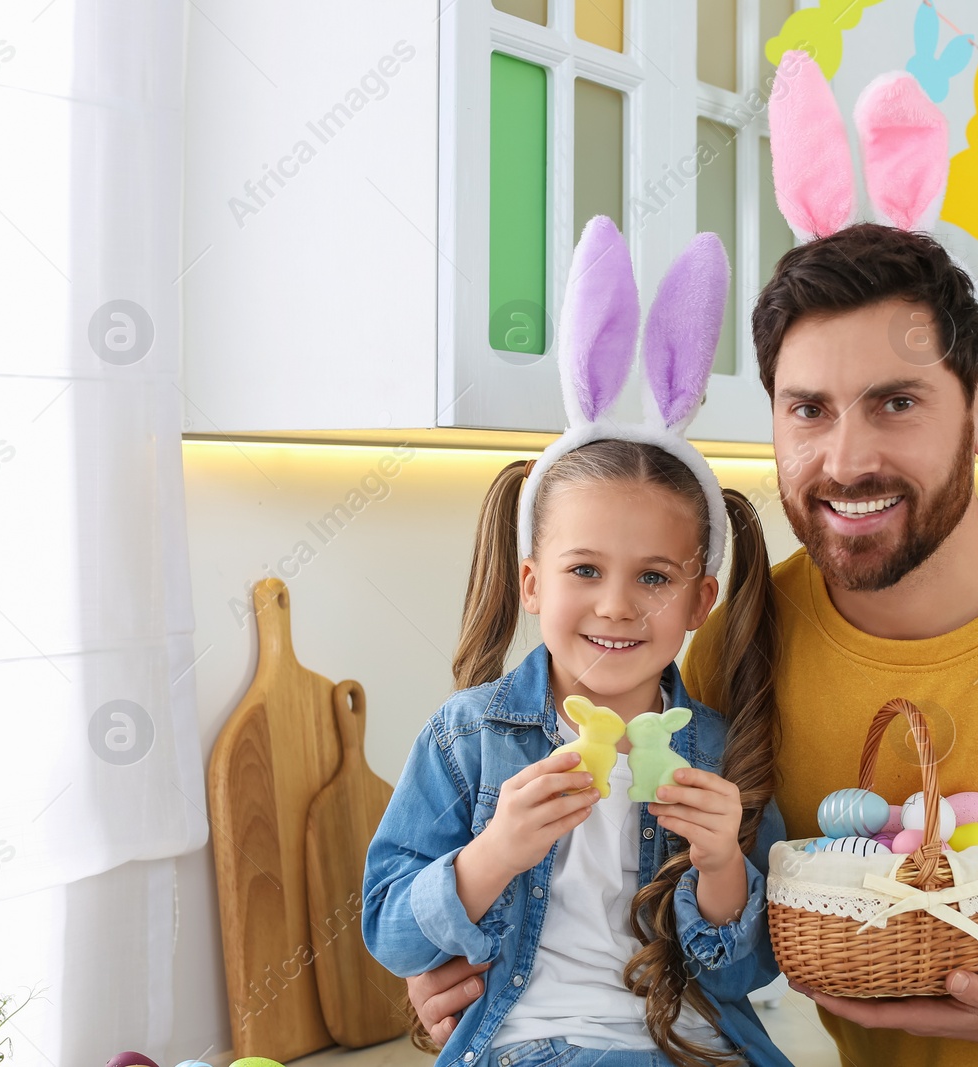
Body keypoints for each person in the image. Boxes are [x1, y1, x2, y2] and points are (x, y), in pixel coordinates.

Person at [406, 223, 978, 1065]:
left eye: (895, 403)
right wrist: (465, 978)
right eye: (808, 409)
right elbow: (645, 895)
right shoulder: (739, 638)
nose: (847, 460)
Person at [363, 221, 792, 1067]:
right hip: (531, 1044)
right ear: (533, 584)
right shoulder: (469, 738)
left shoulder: (721, 754)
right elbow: (390, 931)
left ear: (701, 598)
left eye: (656, 578)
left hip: (700, 1045)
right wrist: (495, 853)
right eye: (585, 569)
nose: (618, 606)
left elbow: (751, 972)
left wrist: (719, 865)